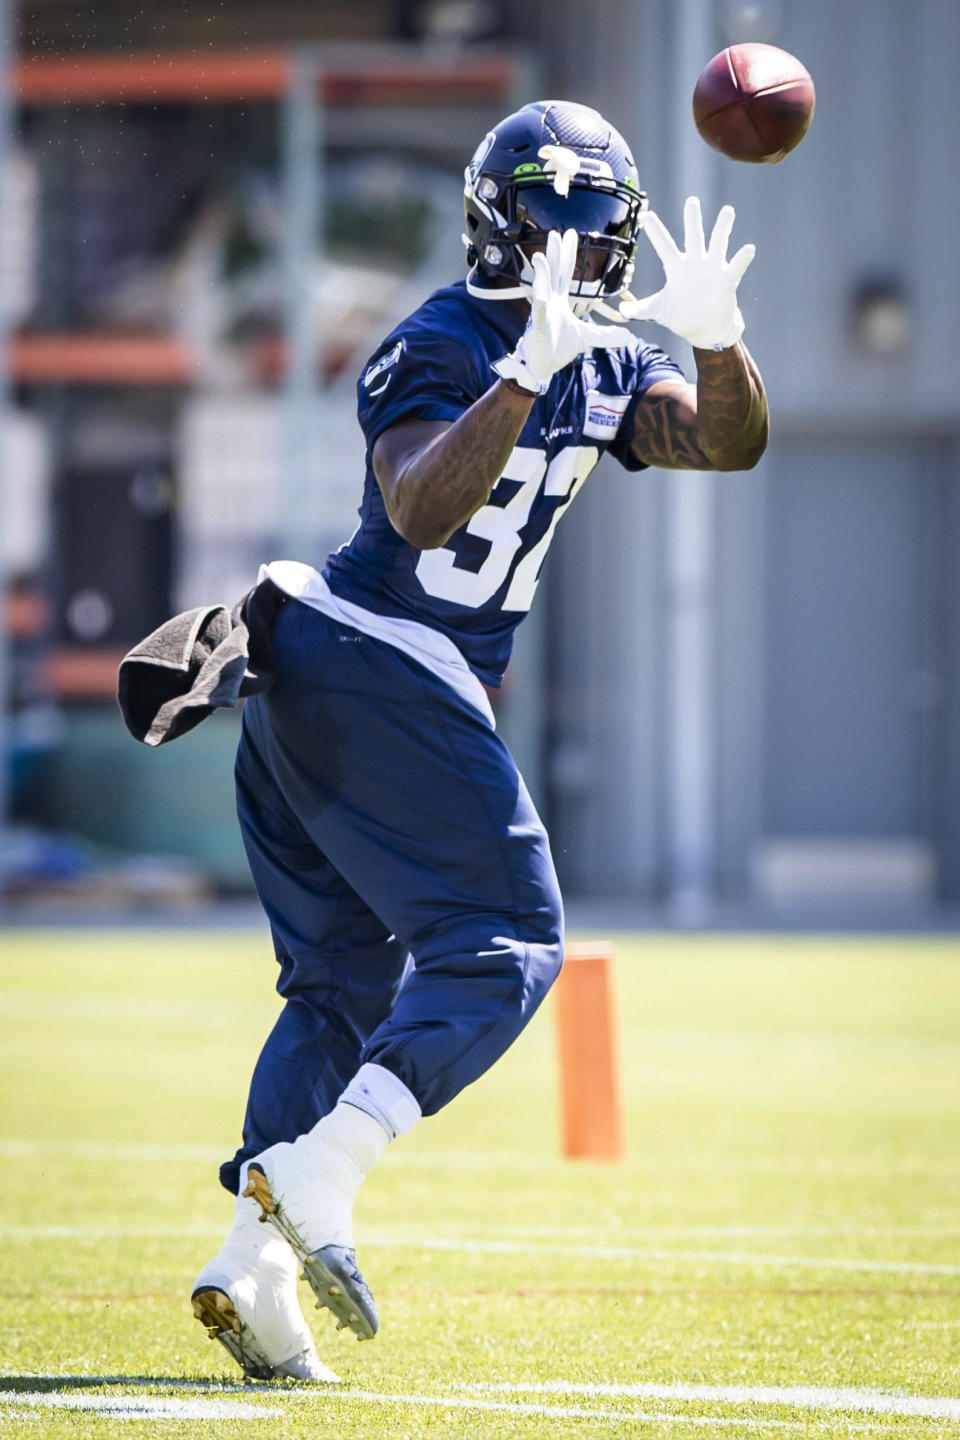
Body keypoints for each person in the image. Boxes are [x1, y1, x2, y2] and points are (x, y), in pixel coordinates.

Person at [190, 98, 769, 1382]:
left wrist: (720, 343)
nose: (572, 244)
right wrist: (522, 370)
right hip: (369, 654)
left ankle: (254, 1269)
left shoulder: (609, 362)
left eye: (593, 222)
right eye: (547, 215)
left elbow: (725, 441)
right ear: (494, 224)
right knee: (509, 939)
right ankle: (320, 1174)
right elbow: (418, 504)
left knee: (339, 991)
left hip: (332, 686)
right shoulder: (436, 342)